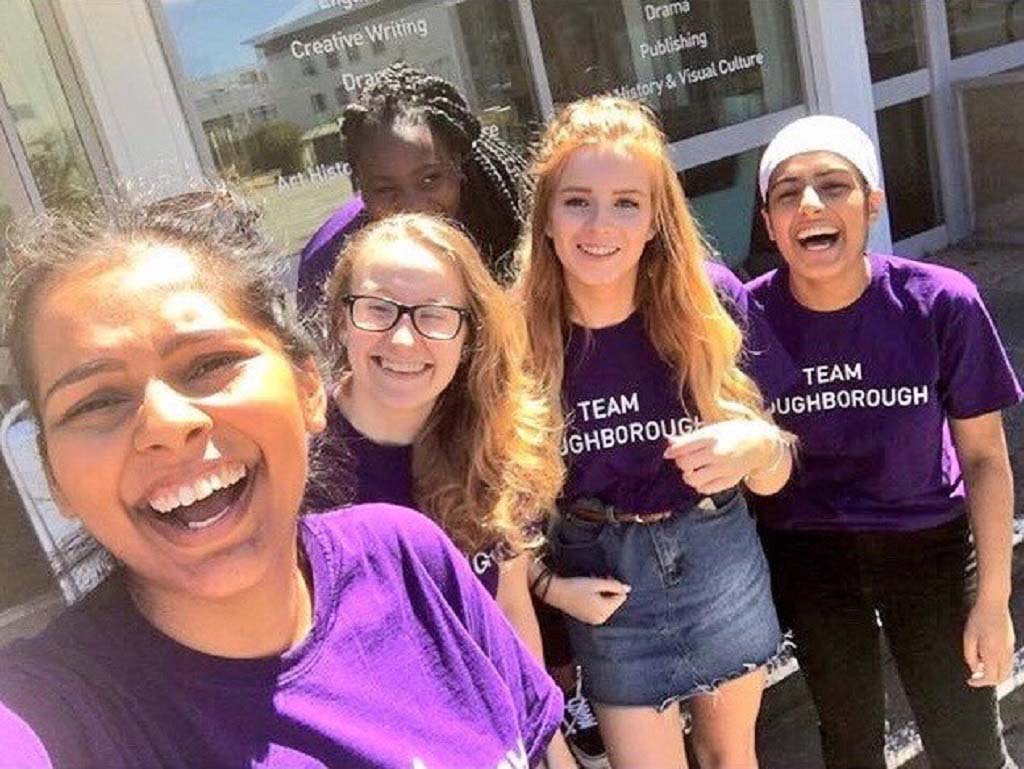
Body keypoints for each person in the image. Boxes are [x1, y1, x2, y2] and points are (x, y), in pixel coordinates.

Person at [0, 191, 563, 768]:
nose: (167, 424)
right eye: (97, 402)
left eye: (209, 363)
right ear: (55, 479)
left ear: (307, 387)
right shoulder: (53, 719)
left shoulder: (408, 559)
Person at [515, 95, 794, 769]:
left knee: (734, 757)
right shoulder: (518, 333)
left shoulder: (710, 303)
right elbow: (496, 507)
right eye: (577, 200)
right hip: (604, 582)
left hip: (716, 553)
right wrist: (552, 588)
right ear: (546, 217)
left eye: (626, 203)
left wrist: (757, 445)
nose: (600, 224)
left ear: (655, 219)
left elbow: (778, 469)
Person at [748, 114, 1022, 769]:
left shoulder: (940, 303)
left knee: (969, 746)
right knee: (850, 747)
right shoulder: (744, 317)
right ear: (769, 223)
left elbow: (985, 458)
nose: (810, 203)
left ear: (872, 203)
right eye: (788, 192)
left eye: (833, 185)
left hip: (925, 541)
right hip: (810, 552)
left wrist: (993, 600)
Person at [307, 212, 577, 768]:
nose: (404, 338)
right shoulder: (298, 470)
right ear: (340, 319)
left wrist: (552, 750)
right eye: (378, 310)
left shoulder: (494, 443)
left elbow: (507, 608)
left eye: (434, 316)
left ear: (469, 334)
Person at [296, 61, 527, 318]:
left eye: (430, 179)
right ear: (360, 185)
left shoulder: (500, 222)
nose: (412, 205)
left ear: (458, 163)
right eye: (385, 188)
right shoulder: (328, 261)